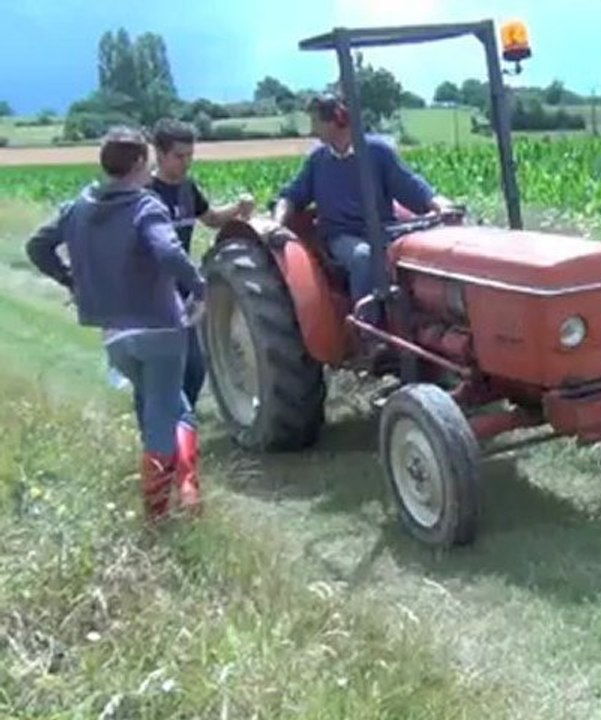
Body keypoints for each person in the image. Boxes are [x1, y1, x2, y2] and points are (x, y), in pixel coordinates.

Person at [24, 126, 207, 524]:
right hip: (160, 326)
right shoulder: (145, 205)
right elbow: (167, 252)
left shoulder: (78, 206)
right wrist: (199, 288)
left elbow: (36, 246)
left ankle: (185, 489)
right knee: (168, 415)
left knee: (173, 406)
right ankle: (162, 514)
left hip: (115, 336)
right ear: (140, 163)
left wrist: (71, 279)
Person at [270, 92, 456, 323]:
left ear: (337, 120)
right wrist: (276, 224)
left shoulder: (378, 152)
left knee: (429, 252)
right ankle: (369, 332)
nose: (312, 130)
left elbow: (410, 185)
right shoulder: (318, 161)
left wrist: (440, 204)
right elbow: (291, 196)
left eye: (316, 122)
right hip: (341, 235)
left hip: (385, 231)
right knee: (363, 257)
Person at [148, 117, 255, 410]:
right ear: (159, 153)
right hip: (148, 289)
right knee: (161, 365)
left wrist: (238, 208)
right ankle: (164, 427)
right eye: (179, 156)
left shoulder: (187, 188)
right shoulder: (144, 192)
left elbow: (211, 220)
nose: (186, 163)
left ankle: (183, 418)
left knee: (194, 366)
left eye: (190, 156)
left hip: (181, 286)